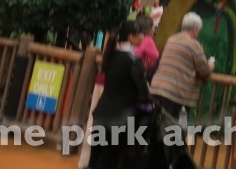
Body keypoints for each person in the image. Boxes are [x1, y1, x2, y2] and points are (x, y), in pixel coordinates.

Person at [90, 20, 151, 169]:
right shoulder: (133, 61)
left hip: (101, 113)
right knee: (108, 160)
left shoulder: (112, 56)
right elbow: (143, 92)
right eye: (140, 34)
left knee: (94, 158)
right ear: (131, 37)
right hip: (119, 118)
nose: (143, 36)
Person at [150, 12, 214, 117]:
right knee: (173, 124)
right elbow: (204, 71)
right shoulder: (194, 45)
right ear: (195, 29)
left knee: (156, 121)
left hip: (157, 87)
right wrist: (210, 65)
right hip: (176, 93)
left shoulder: (171, 39)